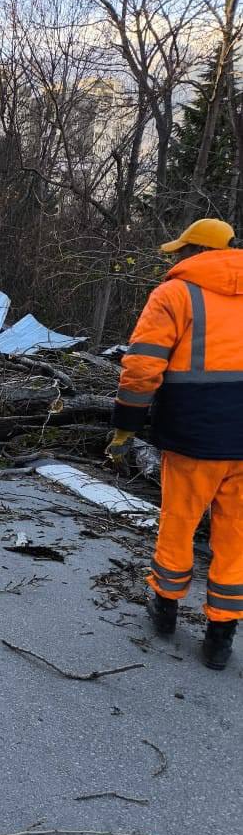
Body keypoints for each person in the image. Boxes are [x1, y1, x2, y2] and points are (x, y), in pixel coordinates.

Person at [107, 217, 243, 670]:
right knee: (236, 537)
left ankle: (165, 607)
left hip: (194, 432)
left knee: (179, 521)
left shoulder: (174, 294)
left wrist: (126, 425)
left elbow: (143, 366)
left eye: (183, 250)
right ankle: (221, 635)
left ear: (193, 252)